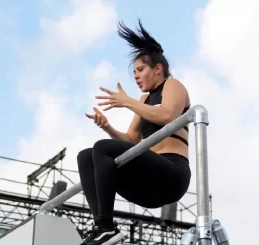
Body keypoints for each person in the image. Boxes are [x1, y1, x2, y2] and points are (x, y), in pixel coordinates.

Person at [77, 19, 191, 245]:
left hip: (172, 175)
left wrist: (128, 102)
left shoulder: (173, 85)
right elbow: (131, 140)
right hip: (147, 184)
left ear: (158, 69)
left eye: (140, 70)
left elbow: (168, 115)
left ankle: (106, 227)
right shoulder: (144, 100)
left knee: (101, 148)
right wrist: (107, 126)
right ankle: (103, 226)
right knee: (86, 156)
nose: (136, 76)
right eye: (134, 72)